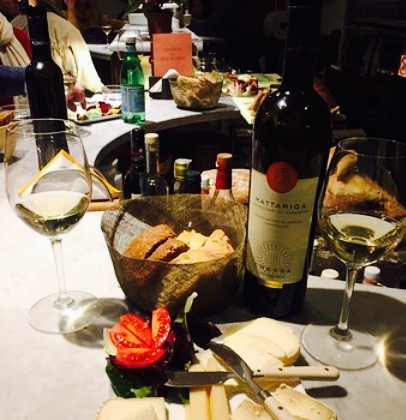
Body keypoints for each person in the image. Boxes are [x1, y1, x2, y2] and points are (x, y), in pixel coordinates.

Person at [11, 0, 104, 93]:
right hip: (57, 91)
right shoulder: (65, 29)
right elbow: (90, 82)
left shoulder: (13, 24)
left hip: (19, 92)